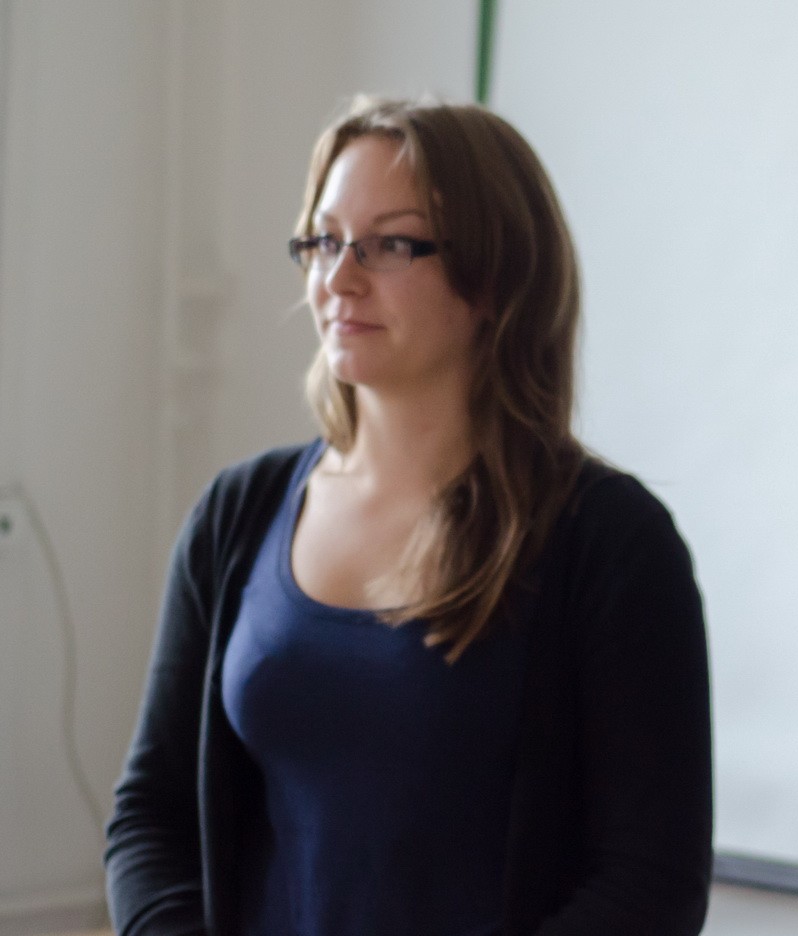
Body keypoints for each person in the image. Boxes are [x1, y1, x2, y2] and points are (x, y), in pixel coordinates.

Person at [105, 97, 713, 936]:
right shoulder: (236, 515)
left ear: (496, 277)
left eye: (390, 244)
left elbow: (652, 882)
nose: (338, 279)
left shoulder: (611, 543)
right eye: (324, 240)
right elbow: (150, 815)